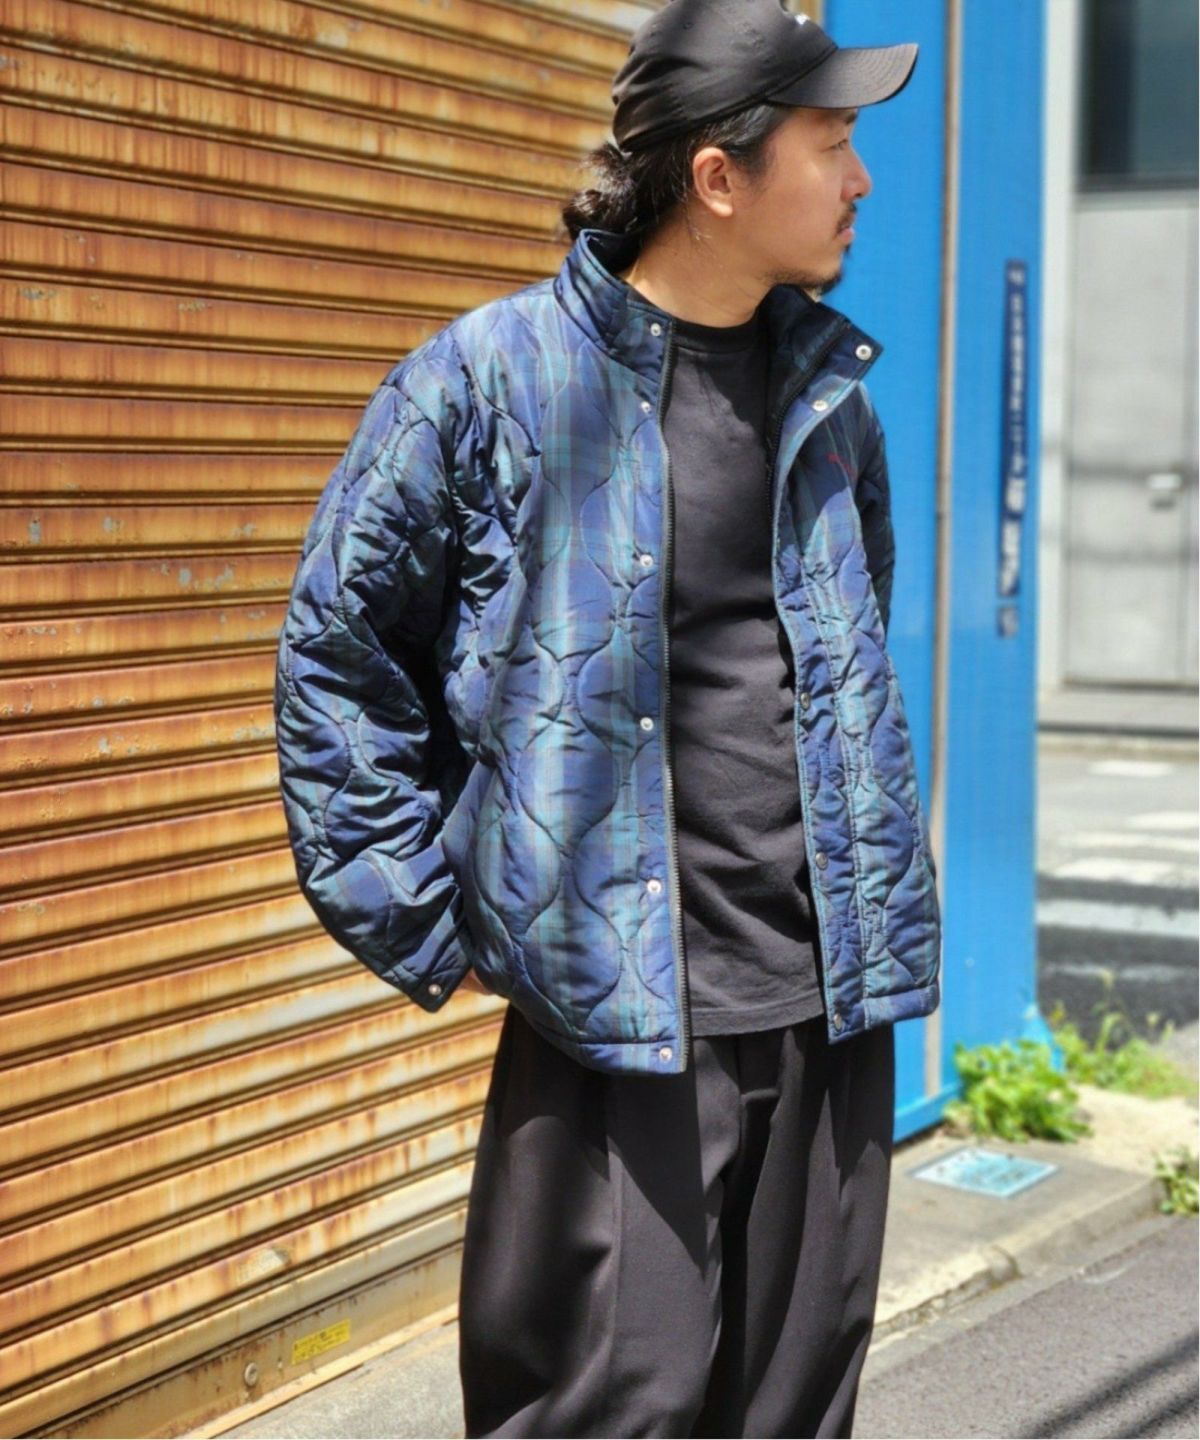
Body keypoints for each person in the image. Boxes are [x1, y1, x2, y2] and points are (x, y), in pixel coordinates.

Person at [274, 1, 942, 1434]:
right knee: (594, 1411)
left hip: (830, 1008)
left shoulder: (834, 402)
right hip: (613, 1025)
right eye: (831, 142)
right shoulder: (490, 384)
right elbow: (341, 655)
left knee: (793, 1409)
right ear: (718, 176)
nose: (861, 179)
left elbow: (845, 649)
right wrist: (436, 917)